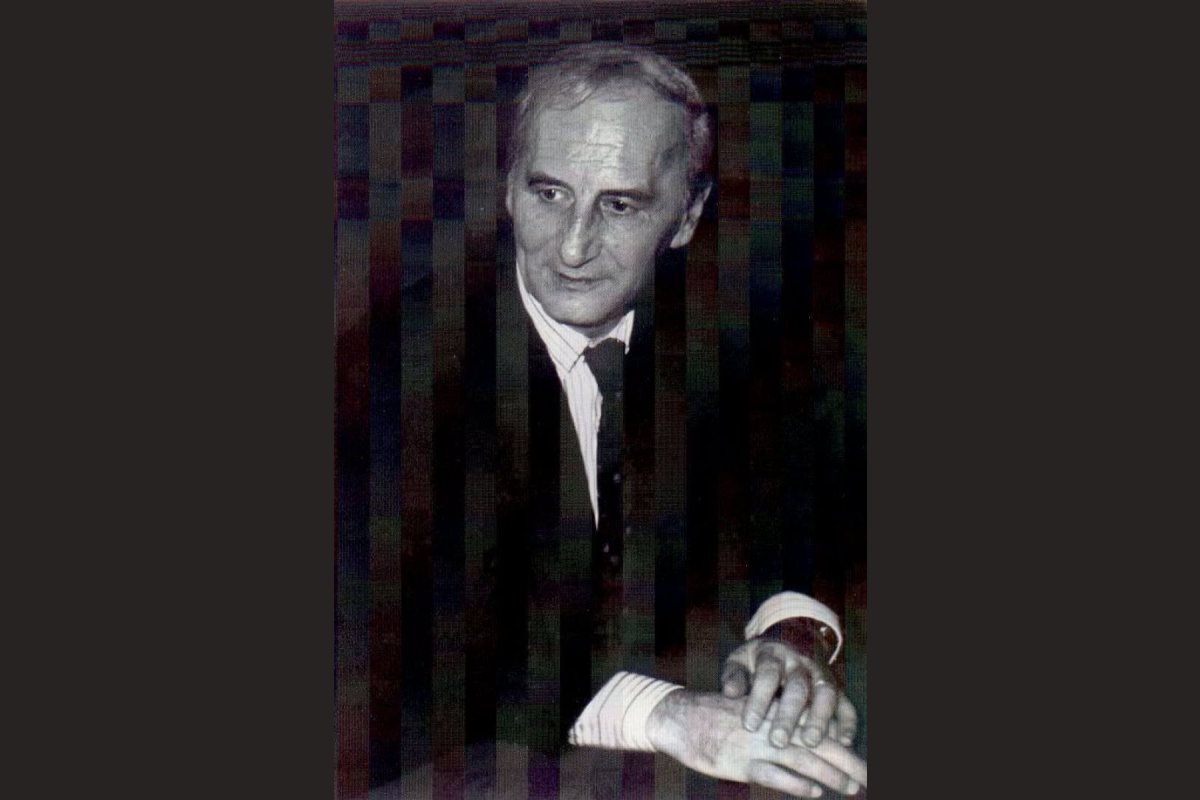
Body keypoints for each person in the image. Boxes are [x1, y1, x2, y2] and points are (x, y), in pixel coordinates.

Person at [370, 42, 867, 799]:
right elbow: (417, 656)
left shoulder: (736, 327)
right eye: (549, 193)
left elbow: (801, 501)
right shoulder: (394, 365)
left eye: (620, 205)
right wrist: (666, 715)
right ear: (508, 189)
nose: (573, 248)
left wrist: (788, 636)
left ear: (687, 218)